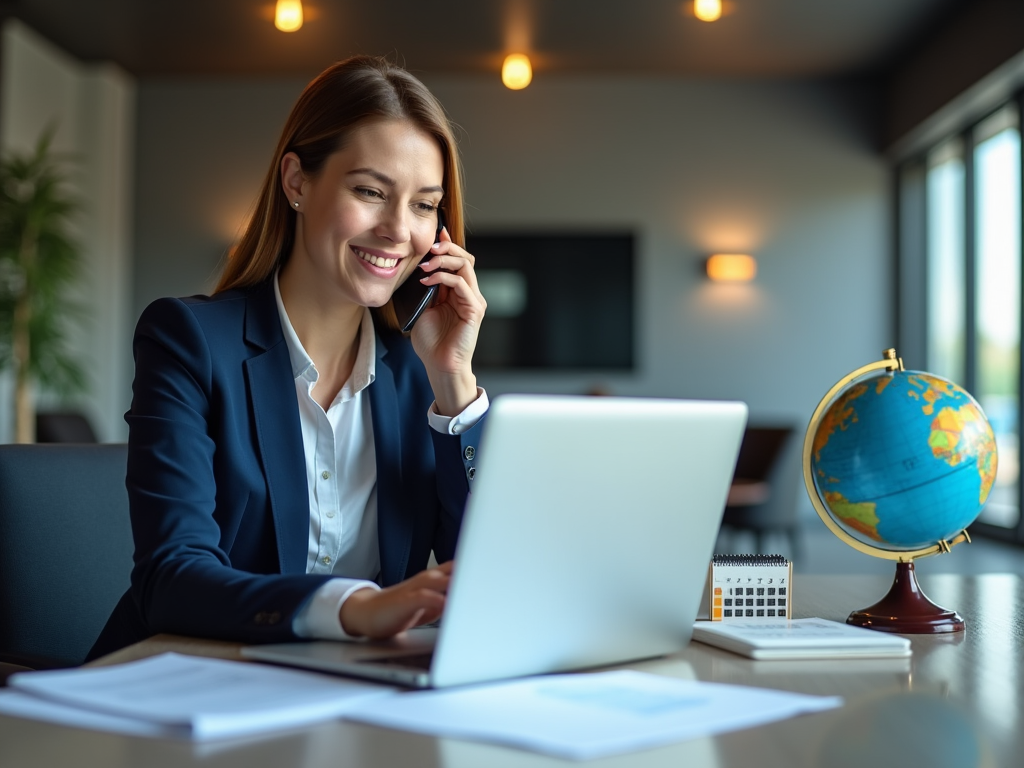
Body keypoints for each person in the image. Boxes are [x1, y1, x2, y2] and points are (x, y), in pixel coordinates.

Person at [89, 56, 488, 659]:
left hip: (355, 699)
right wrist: (353, 608)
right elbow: (170, 576)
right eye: (370, 192)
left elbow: (489, 572)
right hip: (191, 688)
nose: (399, 231)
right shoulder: (189, 339)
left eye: (424, 205)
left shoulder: (415, 374)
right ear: (297, 182)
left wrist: (453, 380)